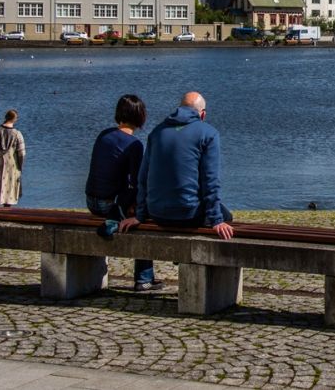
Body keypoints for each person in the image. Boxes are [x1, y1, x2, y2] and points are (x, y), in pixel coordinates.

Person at [119, 92, 234, 240]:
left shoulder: (156, 132)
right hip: (188, 215)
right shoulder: (209, 134)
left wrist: (140, 216)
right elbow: (210, 180)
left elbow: (143, 177)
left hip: (157, 213)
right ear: (203, 115)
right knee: (227, 217)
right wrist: (217, 220)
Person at [85, 94, 161, 291]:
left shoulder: (104, 135)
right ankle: (144, 278)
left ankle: (145, 277)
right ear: (140, 116)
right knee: (142, 218)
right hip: (108, 204)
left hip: (91, 200)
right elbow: (137, 183)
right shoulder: (134, 144)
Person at [0, 109, 25, 207]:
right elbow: (22, 153)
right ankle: (6, 212)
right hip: (11, 165)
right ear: (15, 119)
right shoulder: (17, 134)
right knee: (9, 192)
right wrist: (20, 166)